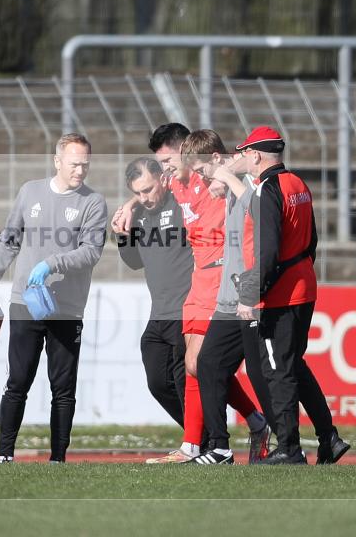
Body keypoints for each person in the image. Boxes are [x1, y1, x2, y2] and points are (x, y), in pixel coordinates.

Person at [113, 125, 265, 464]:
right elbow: (147, 189)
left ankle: (214, 442)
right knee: (195, 365)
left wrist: (227, 176)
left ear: (186, 152)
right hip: (199, 281)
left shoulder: (210, 176)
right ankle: (205, 442)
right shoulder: (172, 182)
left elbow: (242, 167)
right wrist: (128, 206)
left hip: (225, 279)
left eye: (167, 159)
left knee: (199, 363)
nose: (164, 166)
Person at [0, 133, 107, 463]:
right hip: (25, 302)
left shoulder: (93, 202)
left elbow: (91, 252)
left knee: (62, 387)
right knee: (18, 380)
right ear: (58, 161)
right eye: (75, 164)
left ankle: (57, 459)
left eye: (85, 165)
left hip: (66, 308)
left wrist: (53, 263)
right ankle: (5, 455)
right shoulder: (30, 191)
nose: (80, 171)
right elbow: (9, 240)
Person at [235, 126, 350, 465]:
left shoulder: (266, 190)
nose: (244, 159)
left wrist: (250, 294)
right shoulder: (297, 184)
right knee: (293, 366)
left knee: (277, 371)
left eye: (245, 154)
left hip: (280, 295)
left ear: (255, 155)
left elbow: (267, 252)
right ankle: (328, 437)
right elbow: (311, 241)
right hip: (304, 286)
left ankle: (288, 447)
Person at [182, 131, 273, 465]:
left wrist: (226, 177)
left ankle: (289, 442)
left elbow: (260, 211)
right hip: (226, 299)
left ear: (217, 161)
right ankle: (219, 446)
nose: (202, 180)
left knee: (265, 376)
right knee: (205, 364)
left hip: (249, 299)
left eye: (204, 171)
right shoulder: (224, 189)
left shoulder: (247, 184)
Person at [116, 157, 193, 430]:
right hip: (159, 313)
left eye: (147, 189)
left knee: (188, 381)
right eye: (137, 193)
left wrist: (131, 204)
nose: (143, 197)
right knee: (158, 383)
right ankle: (202, 438)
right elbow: (134, 261)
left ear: (162, 178)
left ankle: (205, 443)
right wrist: (123, 235)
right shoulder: (138, 214)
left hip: (188, 309)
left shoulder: (181, 201)